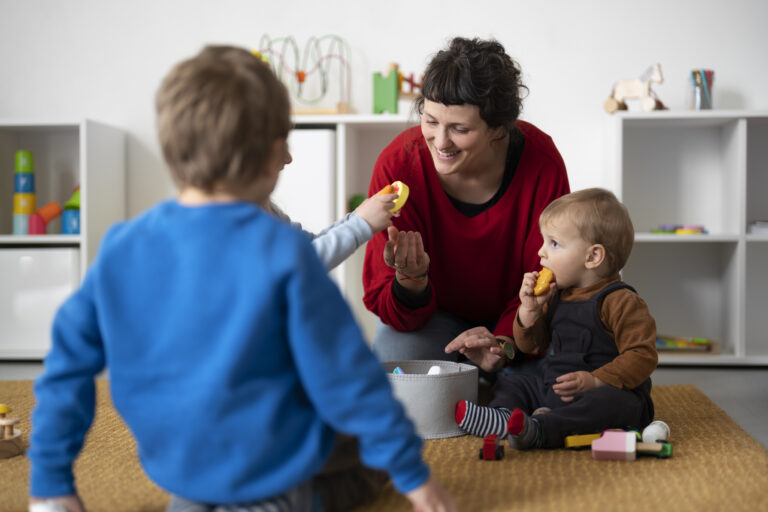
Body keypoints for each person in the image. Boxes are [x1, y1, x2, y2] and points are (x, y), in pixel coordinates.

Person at [28, 45, 455, 512]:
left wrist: (51, 482)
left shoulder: (120, 248)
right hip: (273, 467)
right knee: (357, 456)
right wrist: (415, 476)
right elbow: (349, 377)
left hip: (178, 464)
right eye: (285, 147)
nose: (289, 161)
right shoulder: (283, 254)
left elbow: (66, 369)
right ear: (271, 152)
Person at [362, 37, 570, 368]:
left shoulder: (541, 163)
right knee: (401, 383)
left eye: (459, 129)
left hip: (522, 319)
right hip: (432, 320)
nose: (440, 142)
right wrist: (410, 282)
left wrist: (504, 340)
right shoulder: (398, 166)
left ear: (497, 128)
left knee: (561, 384)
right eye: (430, 121)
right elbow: (389, 303)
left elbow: (551, 273)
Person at [451, 188, 658, 449]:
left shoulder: (621, 301)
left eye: (554, 244)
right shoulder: (557, 295)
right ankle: (504, 417)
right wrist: (529, 311)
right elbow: (531, 346)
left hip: (602, 391)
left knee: (615, 404)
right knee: (513, 381)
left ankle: (541, 430)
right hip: (553, 387)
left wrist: (595, 381)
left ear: (592, 257)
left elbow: (643, 355)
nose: (541, 252)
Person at [267, 150, 397, 271]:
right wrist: (363, 223)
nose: (288, 159)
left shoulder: (269, 210)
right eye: (282, 144)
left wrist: (359, 214)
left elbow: (309, 246)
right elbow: (302, 263)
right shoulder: (251, 224)